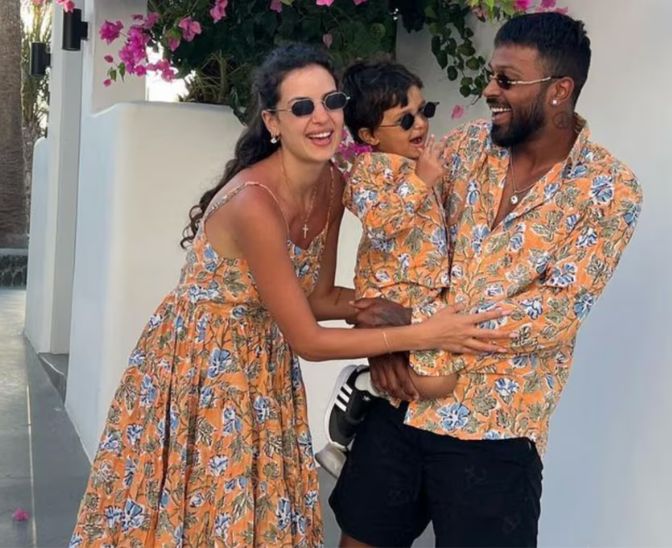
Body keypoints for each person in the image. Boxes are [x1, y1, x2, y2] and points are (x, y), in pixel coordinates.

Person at [68, 44, 508, 547]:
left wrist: (400, 312)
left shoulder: (333, 185)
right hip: (202, 362)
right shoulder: (254, 204)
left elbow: (318, 297)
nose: (321, 118)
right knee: (211, 511)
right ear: (273, 122)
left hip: (265, 359)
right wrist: (424, 333)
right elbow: (309, 339)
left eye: (331, 102)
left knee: (259, 510)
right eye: (301, 107)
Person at [329, 12, 643, 547]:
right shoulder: (461, 149)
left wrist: (410, 328)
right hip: (400, 402)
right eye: (492, 75)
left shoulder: (610, 190)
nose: (489, 90)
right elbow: (395, 239)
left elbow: (554, 313)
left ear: (559, 91)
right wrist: (383, 338)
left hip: (495, 428)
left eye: (507, 79)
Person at [315, 60, 496, 477]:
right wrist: (421, 181)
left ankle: (351, 433)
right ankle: (360, 386)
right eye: (406, 119)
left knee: (430, 381)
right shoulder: (368, 171)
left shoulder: (419, 164)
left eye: (424, 111)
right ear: (369, 136)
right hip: (391, 294)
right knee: (435, 383)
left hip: (423, 296)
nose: (421, 124)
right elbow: (380, 224)